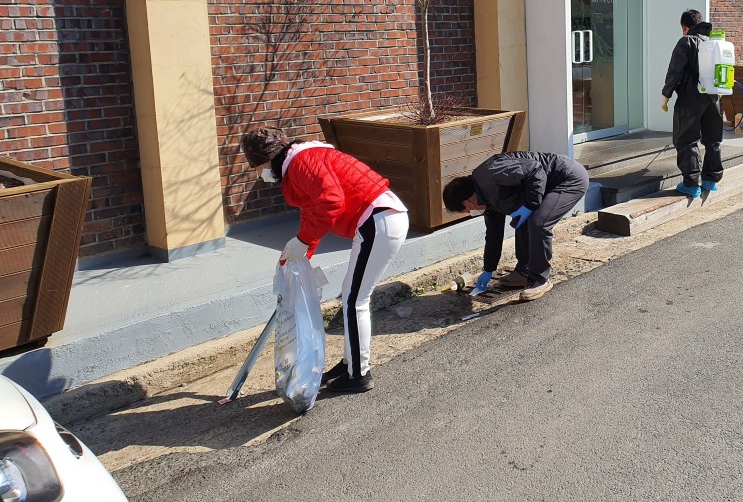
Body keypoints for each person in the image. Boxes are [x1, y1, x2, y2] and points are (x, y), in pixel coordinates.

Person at [240, 127, 409, 394]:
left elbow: (331, 202)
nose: (259, 173)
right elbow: (313, 210)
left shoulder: (301, 163)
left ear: (270, 158)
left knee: (355, 300)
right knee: (352, 297)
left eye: (258, 165)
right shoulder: (303, 160)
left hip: (378, 221)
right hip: (379, 219)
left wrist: (304, 241)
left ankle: (359, 375)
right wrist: (299, 254)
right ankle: (350, 364)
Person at [442, 151, 589, 302]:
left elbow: (535, 170)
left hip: (568, 177)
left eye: (465, 210)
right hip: (546, 184)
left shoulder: (490, 173)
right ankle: (524, 272)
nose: (468, 212)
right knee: (522, 219)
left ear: (467, 203)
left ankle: (540, 280)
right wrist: (488, 269)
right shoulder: (487, 202)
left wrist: (530, 205)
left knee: (538, 222)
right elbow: (494, 235)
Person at [661, 9, 724, 199]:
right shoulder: (713, 43)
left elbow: (675, 72)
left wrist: (666, 95)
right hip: (713, 98)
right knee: (712, 139)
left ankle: (690, 185)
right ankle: (710, 180)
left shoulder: (686, 41)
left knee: (687, 139)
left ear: (685, 27)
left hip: (690, 99)